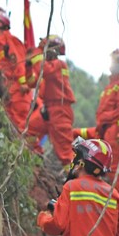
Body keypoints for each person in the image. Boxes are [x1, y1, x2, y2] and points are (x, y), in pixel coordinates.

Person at [26, 35, 76, 166]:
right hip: (48, 109)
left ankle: (75, 180)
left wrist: (36, 54)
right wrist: (28, 65)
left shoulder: (59, 65)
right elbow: (31, 82)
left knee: (65, 154)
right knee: (29, 130)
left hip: (60, 110)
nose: (42, 53)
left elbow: (44, 69)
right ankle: (37, 160)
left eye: (44, 50)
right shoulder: (48, 69)